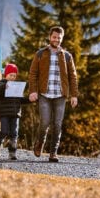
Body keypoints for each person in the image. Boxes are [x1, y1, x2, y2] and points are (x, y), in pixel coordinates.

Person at [27, 26, 78, 163]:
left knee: (57, 124)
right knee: (44, 122)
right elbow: (33, 74)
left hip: (60, 95)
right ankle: (40, 142)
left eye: (59, 38)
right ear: (50, 37)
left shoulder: (67, 56)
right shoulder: (40, 54)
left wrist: (74, 95)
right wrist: (32, 91)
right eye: (54, 37)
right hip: (44, 94)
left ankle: (53, 152)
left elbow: (73, 77)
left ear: (62, 39)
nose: (56, 39)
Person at [0, 63, 24, 160]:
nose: (12, 77)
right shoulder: (1, 84)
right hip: (4, 113)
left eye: (14, 75)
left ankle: (12, 153)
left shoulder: (16, 86)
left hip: (15, 113)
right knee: (4, 131)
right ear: (6, 75)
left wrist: (31, 99)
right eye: (10, 75)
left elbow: (20, 99)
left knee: (14, 133)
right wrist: (4, 86)